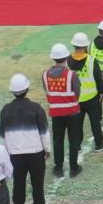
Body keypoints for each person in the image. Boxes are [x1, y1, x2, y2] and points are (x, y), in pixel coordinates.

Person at [0, 74, 51, 204]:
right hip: (35, 152)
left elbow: (2, 136)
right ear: (27, 89)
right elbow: (44, 132)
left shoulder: (6, 110)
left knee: (18, 184)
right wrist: (47, 149)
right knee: (37, 184)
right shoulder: (36, 108)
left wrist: (5, 152)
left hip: (15, 154)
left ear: (12, 91)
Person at [43, 43, 83, 178]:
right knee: (73, 140)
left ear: (53, 58)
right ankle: (74, 168)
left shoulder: (45, 75)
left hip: (56, 113)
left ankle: (58, 168)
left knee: (58, 140)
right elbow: (77, 94)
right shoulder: (72, 75)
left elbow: (47, 91)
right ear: (66, 57)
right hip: (72, 112)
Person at [68, 32, 103, 152]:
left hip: (76, 99)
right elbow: (98, 77)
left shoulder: (68, 60)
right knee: (95, 122)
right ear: (85, 46)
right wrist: (101, 92)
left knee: (77, 125)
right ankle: (99, 144)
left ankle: (77, 146)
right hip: (92, 98)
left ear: (74, 45)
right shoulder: (91, 60)